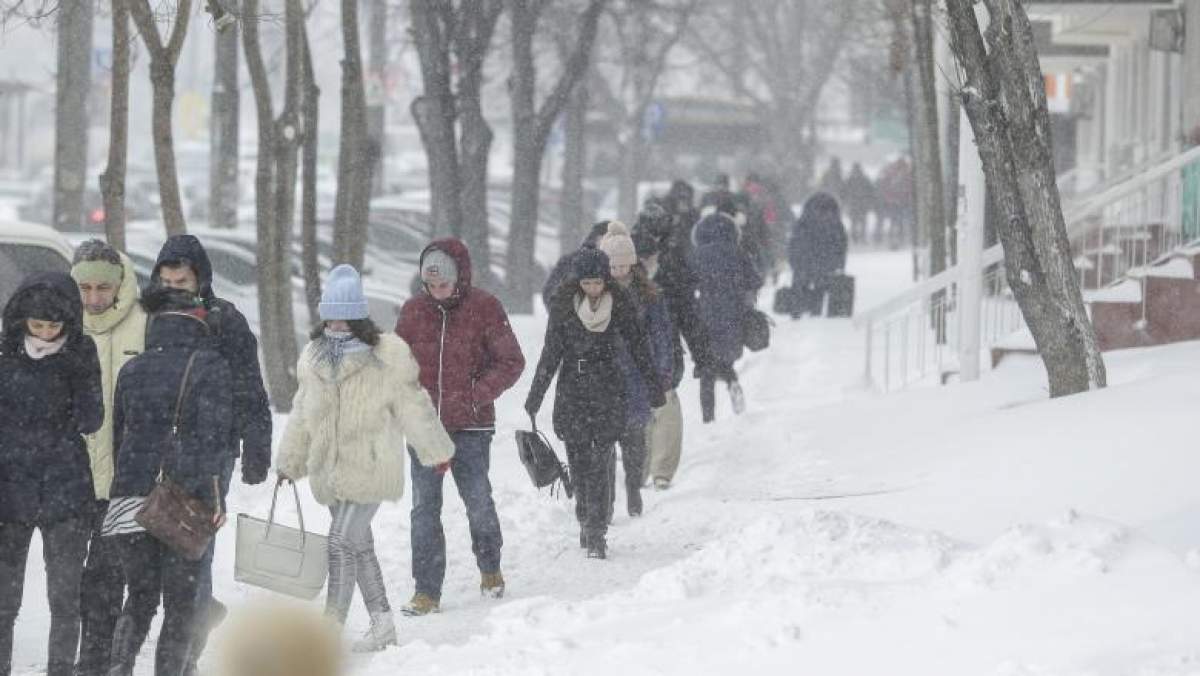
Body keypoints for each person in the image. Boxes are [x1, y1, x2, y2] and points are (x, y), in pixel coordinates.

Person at [277, 265, 455, 651]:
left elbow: (414, 404)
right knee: (359, 547)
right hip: (330, 467)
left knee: (340, 543)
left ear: (358, 316)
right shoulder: (313, 356)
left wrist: (435, 450)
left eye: (345, 317)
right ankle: (383, 625)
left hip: (372, 466)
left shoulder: (387, 354)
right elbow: (301, 410)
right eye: (331, 316)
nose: (337, 325)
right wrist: (290, 461)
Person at [150, 234, 271, 671]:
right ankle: (200, 613)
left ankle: (186, 656)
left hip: (211, 456)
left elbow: (251, 389)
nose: (173, 288)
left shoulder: (225, 321)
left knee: (193, 551)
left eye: (181, 280)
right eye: (165, 280)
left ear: (200, 278)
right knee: (156, 555)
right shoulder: (149, 318)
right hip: (156, 451)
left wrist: (257, 447)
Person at [101, 289, 230, 676]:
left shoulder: (133, 368)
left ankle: (119, 667)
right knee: (180, 603)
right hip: (182, 501)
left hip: (129, 499)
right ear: (198, 322)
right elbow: (213, 441)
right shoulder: (210, 366)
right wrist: (214, 498)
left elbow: (118, 438)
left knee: (139, 595)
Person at [395, 239, 525, 616]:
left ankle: (490, 567)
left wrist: (474, 394)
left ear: (460, 278)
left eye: (443, 285)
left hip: (472, 426)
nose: (436, 293)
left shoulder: (485, 308)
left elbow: (511, 361)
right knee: (424, 509)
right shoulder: (413, 311)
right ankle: (427, 591)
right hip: (424, 427)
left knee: (478, 500)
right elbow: (396, 363)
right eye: (430, 285)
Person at [525, 248, 665, 560]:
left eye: (598, 283)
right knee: (578, 463)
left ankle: (597, 529)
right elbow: (551, 354)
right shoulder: (563, 306)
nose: (593, 289)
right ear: (578, 282)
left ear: (606, 281)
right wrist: (536, 395)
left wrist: (655, 387)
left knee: (601, 461)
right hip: (573, 392)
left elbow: (639, 347)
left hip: (608, 390)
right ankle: (584, 516)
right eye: (587, 283)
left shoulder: (620, 304)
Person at [0, 272, 103, 676]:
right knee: (4, 602)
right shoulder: (5, 353)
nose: (45, 334)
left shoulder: (81, 352)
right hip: (10, 491)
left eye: (54, 326)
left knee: (65, 599)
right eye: (37, 325)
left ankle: (60, 669)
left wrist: (75, 371)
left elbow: (91, 419)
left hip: (67, 491)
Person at [70, 241, 148, 676]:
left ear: (119, 284)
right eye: (85, 288)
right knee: (84, 580)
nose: (94, 298)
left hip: (129, 477)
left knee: (110, 576)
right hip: (76, 477)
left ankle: (100, 663)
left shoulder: (145, 323)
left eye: (103, 287)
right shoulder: (62, 326)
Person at [632, 205, 724, 489]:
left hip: (647, 350)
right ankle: (658, 471)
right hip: (664, 349)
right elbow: (689, 315)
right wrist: (702, 354)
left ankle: (642, 469)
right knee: (664, 407)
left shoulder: (625, 259)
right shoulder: (673, 263)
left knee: (642, 410)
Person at [597, 222, 673, 518]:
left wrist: (661, 370)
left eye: (621, 266)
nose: (616, 272)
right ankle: (608, 497)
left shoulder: (650, 295)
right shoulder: (595, 292)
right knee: (604, 440)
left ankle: (632, 486)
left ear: (631, 264)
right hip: (605, 377)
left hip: (638, 376)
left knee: (634, 438)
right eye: (611, 266)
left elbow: (662, 335)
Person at [692, 195, 764, 423]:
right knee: (725, 358)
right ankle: (732, 381)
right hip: (733, 312)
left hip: (703, 313)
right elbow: (755, 280)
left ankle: (708, 417)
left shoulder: (697, 255)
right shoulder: (737, 253)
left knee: (705, 366)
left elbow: (685, 283)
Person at [789, 193, 849, 318]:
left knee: (800, 286)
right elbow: (841, 245)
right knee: (819, 288)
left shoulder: (804, 222)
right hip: (824, 262)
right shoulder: (835, 224)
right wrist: (840, 264)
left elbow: (794, 243)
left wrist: (794, 261)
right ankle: (814, 312)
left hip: (804, 261)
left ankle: (797, 311)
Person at [541, 221, 612, 313]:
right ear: (597, 239)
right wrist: (565, 316)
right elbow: (550, 293)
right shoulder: (571, 261)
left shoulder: (627, 266)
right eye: (608, 240)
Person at [843, 163, 876, 245]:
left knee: (855, 222)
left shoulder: (850, 179)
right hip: (862, 204)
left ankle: (856, 238)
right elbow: (871, 191)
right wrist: (870, 201)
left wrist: (846, 201)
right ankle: (861, 237)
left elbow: (844, 192)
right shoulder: (864, 179)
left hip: (854, 204)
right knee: (862, 222)